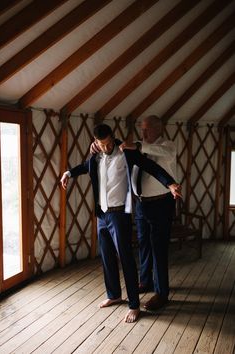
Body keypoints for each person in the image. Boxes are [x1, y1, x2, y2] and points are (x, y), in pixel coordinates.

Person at [61, 124, 181, 322]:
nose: (106, 147)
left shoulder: (126, 153)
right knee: (107, 257)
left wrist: (170, 183)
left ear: (112, 138)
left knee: (125, 258)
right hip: (102, 215)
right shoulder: (96, 156)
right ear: (96, 143)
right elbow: (85, 167)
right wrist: (68, 173)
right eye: (101, 144)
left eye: (108, 143)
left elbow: (150, 166)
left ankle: (134, 304)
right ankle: (114, 295)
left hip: (119, 215)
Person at [119, 115, 178, 311]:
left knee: (158, 247)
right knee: (144, 244)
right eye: (141, 129)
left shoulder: (168, 146)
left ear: (158, 129)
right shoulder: (140, 146)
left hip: (161, 204)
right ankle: (146, 281)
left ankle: (162, 293)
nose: (143, 133)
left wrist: (138, 145)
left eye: (147, 129)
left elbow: (158, 152)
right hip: (142, 204)